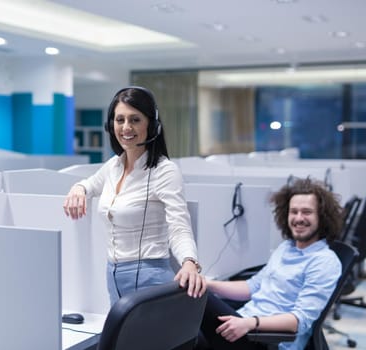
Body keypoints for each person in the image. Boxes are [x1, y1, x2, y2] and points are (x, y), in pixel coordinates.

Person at [63, 86, 206, 305]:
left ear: (152, 125)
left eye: (135, 119)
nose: (126, 127)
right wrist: (78, 188)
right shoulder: (113, 166)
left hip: (150, 277)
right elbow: (89, 184)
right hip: (113, 275)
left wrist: (189, 261)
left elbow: (179, 226)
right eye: (120, 120)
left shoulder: (164, 171)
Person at [197, 177, 343, 350]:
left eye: (306, 212)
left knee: (193, 297)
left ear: (322, 217)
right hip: (243, 325)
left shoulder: (324, 261)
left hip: (265, 340)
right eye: (293, 211)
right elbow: (252, 287)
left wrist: (251, 323)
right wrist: (209, 284)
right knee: (188, 332)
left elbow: (299, 321)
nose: (299, 218)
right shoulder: (285, 248)